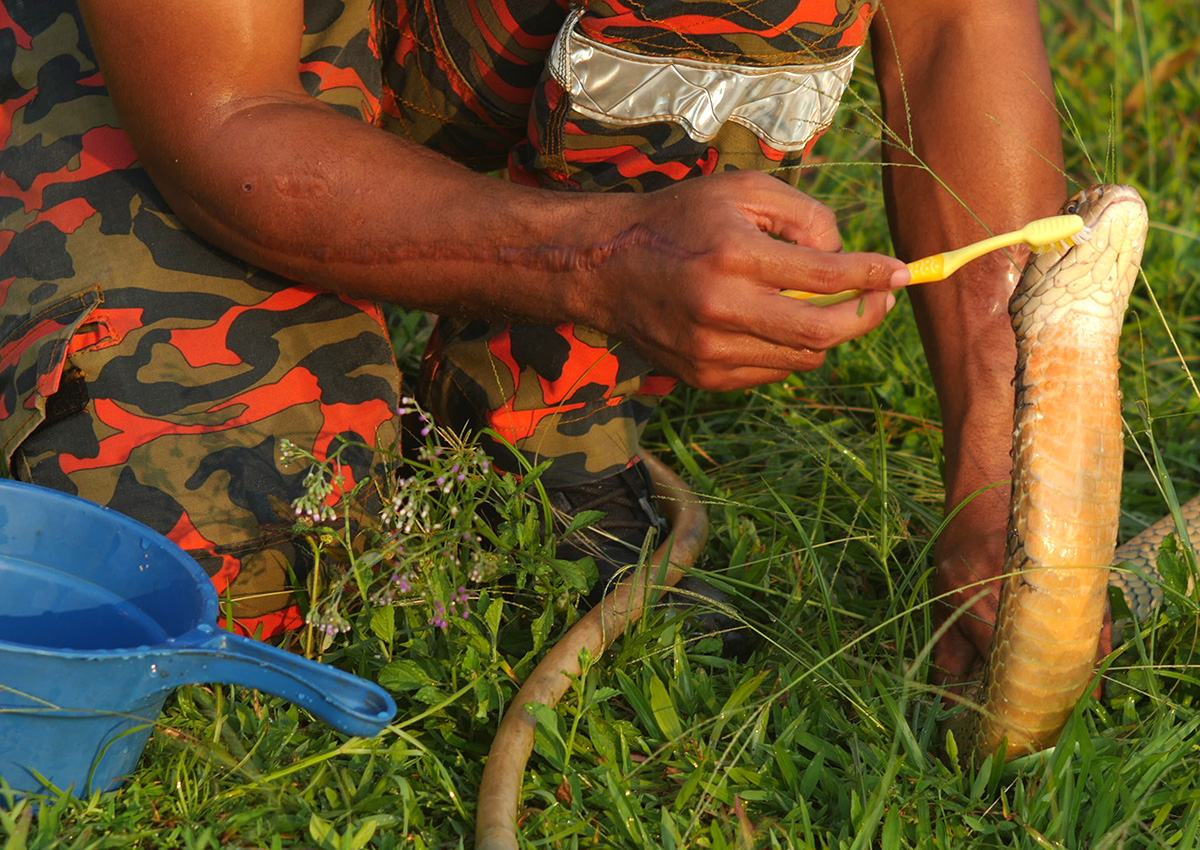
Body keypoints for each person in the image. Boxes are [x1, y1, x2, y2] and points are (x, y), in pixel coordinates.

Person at [0, 0, 1065, 681]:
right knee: (189, 562)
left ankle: (535, 428)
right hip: (178, 55)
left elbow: (951, 24)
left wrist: (1004, 469)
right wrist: (604, 258)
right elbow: (219, 114)